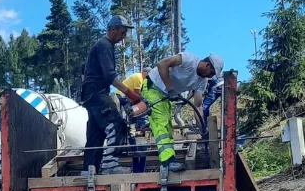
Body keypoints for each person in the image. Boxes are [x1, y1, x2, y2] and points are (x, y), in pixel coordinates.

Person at [141, 52, 224, 173]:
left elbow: (198, 106)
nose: (210, 77)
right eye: (211, 73)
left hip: (165, 94)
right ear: (208, 65)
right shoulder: (188, 59)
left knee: (168, 128)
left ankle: (169, 160)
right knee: (161, 123)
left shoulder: (202, 81)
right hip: (152, 87)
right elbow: (162, 64)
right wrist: (170, 89)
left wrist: (203, 129)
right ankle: (167, 161)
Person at [81, 15, 143, 174]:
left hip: (90, 94)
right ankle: (110, 166)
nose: (123, 37)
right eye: (122, 33)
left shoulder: (102, 45)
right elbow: (109, 76)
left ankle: (89, 170)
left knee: (96, 133)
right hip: (97, 92)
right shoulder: (104, 45)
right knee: (117, 125)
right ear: (113, 30)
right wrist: (130, 94)